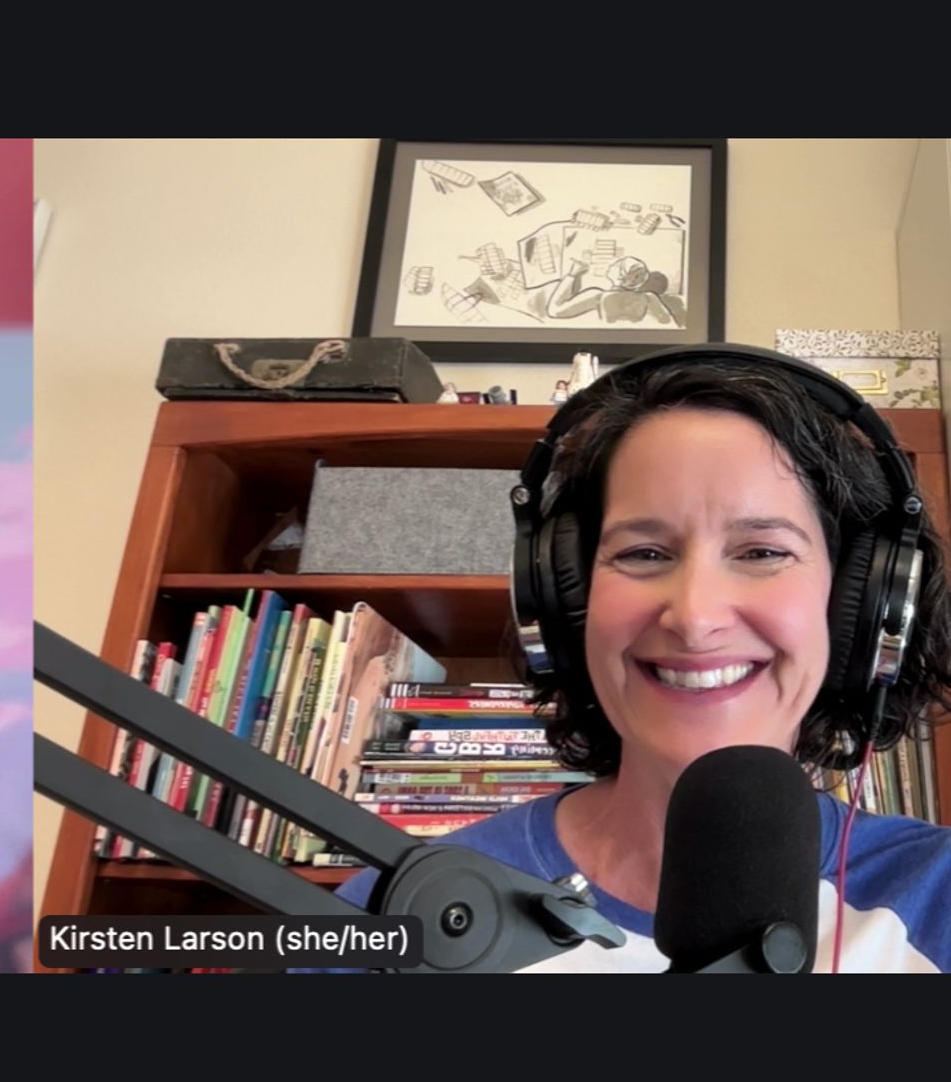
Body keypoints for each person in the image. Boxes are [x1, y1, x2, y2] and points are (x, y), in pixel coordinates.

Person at [340, 346, 951, 971]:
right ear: (560, 598)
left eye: (763, 552)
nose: (694, 616)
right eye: (644, 554)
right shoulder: (401, 910)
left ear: (867, 603)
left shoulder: (938, 895)